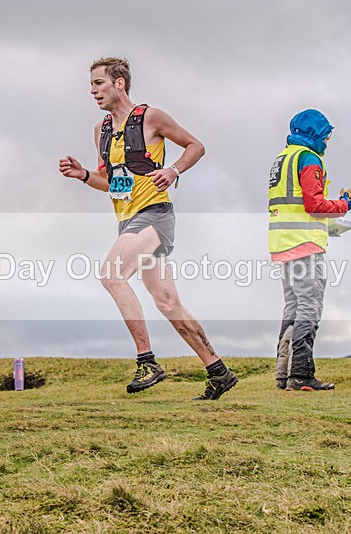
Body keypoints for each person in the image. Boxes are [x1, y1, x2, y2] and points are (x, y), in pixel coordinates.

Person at [58, 57, 238, 400]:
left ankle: (147, 361)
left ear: (119, 83)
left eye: (99, 83)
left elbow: (195, 146)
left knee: (112, 274)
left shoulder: (151, 117)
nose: (93, 91)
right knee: (168, 303)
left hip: (155, 214)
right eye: (91, 85)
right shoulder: (101, 131)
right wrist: (83, 175)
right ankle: (218, 371)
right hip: (128, 219)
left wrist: (173, 171)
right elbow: (110, 182)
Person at [268, 109, 351, 391]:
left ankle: (284, 374)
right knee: (310, 305)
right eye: (326, 136)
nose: (327, 141)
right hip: (305, 244)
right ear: (315, 133)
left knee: (293, 306)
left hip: (283, 241)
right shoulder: (309, 158)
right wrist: (344, 204)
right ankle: (301, 374)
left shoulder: (283, 158)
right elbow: (314, 204)